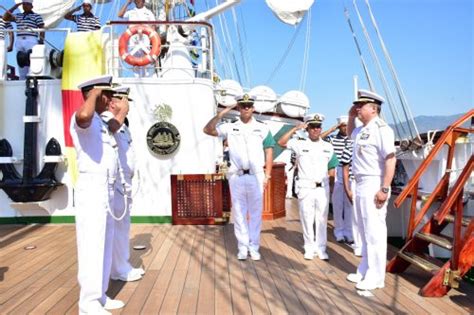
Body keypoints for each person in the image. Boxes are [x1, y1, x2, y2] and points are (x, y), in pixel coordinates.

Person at [70, 75, 129, 314]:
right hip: (92, 189)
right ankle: (88, 304)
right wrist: (94, 93)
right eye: (108, 94)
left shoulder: (101, 122)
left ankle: (100, 296)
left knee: (103, 245)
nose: (111, 99)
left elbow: (114, 126)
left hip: (106, 188)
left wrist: (122, 110)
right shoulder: (82, 119)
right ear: (95, 94)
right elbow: (83, 116)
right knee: (92, 246)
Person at [203, 94, 275, 261]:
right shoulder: (230, 127)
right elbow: (208, 130)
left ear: (253, 107)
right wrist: (222, 113)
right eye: (243, 105)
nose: (246, 108)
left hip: (256, 176)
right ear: (238, 108)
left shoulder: (263, 128)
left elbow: (269, 151)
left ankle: (254, 247)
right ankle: (242, 247)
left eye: (249, 105)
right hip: (237, 176)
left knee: (256, 214)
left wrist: (268, 175)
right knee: (239, 213)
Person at [345, 89, 396, 291]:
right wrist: (351, 116)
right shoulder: (361, 129)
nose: (357, 108)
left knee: (375, 232)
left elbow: (390, 159)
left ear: (373, 109)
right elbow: (350, 134)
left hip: (374, 182)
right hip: (360, 183)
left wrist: (384, 188)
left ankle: (376, 277)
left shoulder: (382, 129)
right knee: (364, 231)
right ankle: (364, 269)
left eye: (361, 105)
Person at [278, 113, 338, 260]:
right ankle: (309, 247)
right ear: (307, 128)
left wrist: (330, 186)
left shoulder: (328, 147)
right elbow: (281, 142)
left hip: (322, 188)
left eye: (318, 127)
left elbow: (332, 167)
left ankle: (321, 248)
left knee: (322, 219)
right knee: (306, 218)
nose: (315, 130)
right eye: (312, 127)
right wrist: (295, 129)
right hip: (306, 187)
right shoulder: (299, 143)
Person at [103, 87, 145, 282]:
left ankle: (120, 265)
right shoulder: (106, 121)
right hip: (116, 184)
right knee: (118, 228)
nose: (127, 106)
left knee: (122, 227)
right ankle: (119, 269)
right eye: (124, 101)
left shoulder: (122, 125)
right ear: (113, 103)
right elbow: (109, 132)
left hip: (124, 184)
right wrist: (122, 113)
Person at [322, 115, 354, 244]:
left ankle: (348, 231)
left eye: (347, 125)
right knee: (337, 205)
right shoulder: (332, 139)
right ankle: (339, 231)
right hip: (336, 172)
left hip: (350, 173)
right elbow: (320, 138)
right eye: (343, 125)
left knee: (349, 205)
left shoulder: (353, 139)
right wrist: (333, 128)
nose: (345, 128)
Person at [3, 0, 45, 80]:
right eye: (24, 4)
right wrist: (15, 7)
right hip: (19, 40)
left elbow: (41, 27)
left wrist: (41, 41)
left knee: (32, 63)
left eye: (27, 4)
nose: (25, 6)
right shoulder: (18, 15)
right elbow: (5, 18)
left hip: (31, 40)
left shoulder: (36, 16)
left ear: (31, 6)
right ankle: (22, 81)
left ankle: (32, 82)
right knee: (21, 64)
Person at [340, 140, 362, 257]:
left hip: (372, 183)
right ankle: (358, 245)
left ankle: (367, 245)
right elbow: (345, 168)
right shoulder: (350, 146)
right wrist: (347, 189)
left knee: (369, 216)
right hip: (356, 182)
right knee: (356, 216)